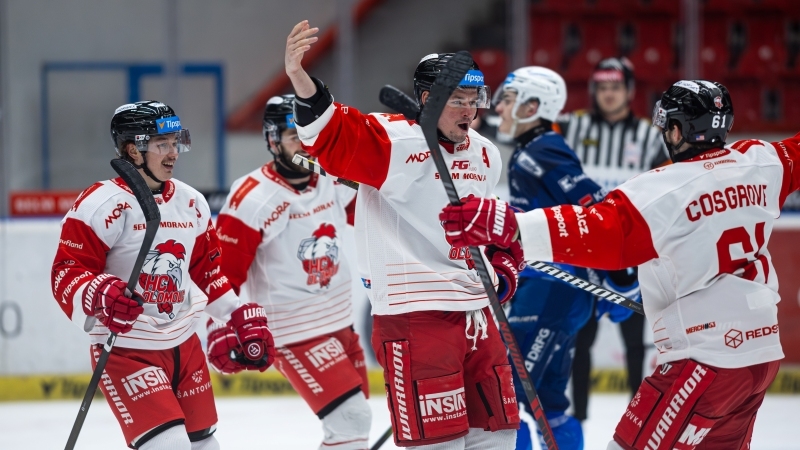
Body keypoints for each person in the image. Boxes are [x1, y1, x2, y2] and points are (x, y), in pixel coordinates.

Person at [440, 80, 794, 449]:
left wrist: (509, 225)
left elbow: (591, 228)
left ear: (676, 130)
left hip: (704, 360)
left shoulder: (663, 189)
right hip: (761, 356)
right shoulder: (761, 160)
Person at [285, 20, 522, 450]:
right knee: (440, 444)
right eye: (457, 101)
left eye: (474, 101)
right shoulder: (395, 140)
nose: (469, 111)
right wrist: (303, 82)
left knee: (500, 438)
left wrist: (504, 266)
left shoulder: (486, 154)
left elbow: (496, 231)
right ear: (428, 100)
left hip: (478, 316)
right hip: (417, 316)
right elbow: (333, 135)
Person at [50, 101, 275, 450]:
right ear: (132, 150)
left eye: (176, 143)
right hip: (128, 350)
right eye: (162, 144)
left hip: (185, 346)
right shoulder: (101, 203)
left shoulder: (191, 202)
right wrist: (100, 293)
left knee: (205, 447)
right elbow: (67, 272)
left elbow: (206, 273)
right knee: (168, 446)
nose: (174, 153)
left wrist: (237, 314)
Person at [214, 94, 370, 450]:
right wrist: (218, 328)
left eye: (310, 134)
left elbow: (372, 222)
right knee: (351, 419)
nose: (307, 145)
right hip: (293, 331)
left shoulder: (331, 177)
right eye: (294, 136)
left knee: (354, 426)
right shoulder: (252, 197)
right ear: (272, 140)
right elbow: (222, 274)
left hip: (340, 322)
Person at [494, 66, 611, 450]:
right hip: (551, 291)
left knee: (504, 391)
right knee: (547, 398)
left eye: (509, 101)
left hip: (553, 291)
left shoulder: (543, 149)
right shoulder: (531, 150)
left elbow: (595, 206)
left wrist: (618, 274)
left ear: (533, 105)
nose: (501, 109)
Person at [556, 57, 667, 419]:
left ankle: (640, 423)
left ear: (630, 91)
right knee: (580, 340)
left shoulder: (651, 135)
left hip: (631, 252)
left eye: (615, 87)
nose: (607, 94)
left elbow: (668, 185)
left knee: (635, 342)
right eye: (601, 87)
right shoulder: (572, 125)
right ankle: (579, 421)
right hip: (584, 248)